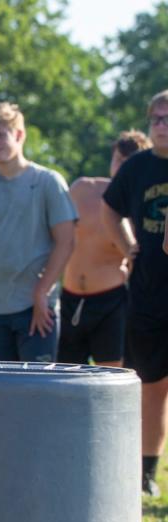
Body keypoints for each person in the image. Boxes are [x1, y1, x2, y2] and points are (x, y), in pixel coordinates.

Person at [0, 102, 77, 363]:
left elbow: (66, 241)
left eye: (0, 135)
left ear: (19, 135)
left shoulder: (48, 181)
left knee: (36, 393)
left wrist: (42, 291)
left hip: (36, 309)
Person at [102, 90, 168, 496]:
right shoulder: (138, 168)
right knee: (151, 385)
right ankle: (146, 474)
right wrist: (127, 245)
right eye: (156, 118)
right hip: (148, 291)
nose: (162, 124)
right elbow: (111, 208)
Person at [58, 131, 151, 367]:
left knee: (111, 378)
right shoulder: (83, 189)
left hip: (111, 303)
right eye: (119, 160)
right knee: (62, 378)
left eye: (130, 163)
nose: (123, 168)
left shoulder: (143, 207)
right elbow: (53, 237)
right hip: (70, 300)